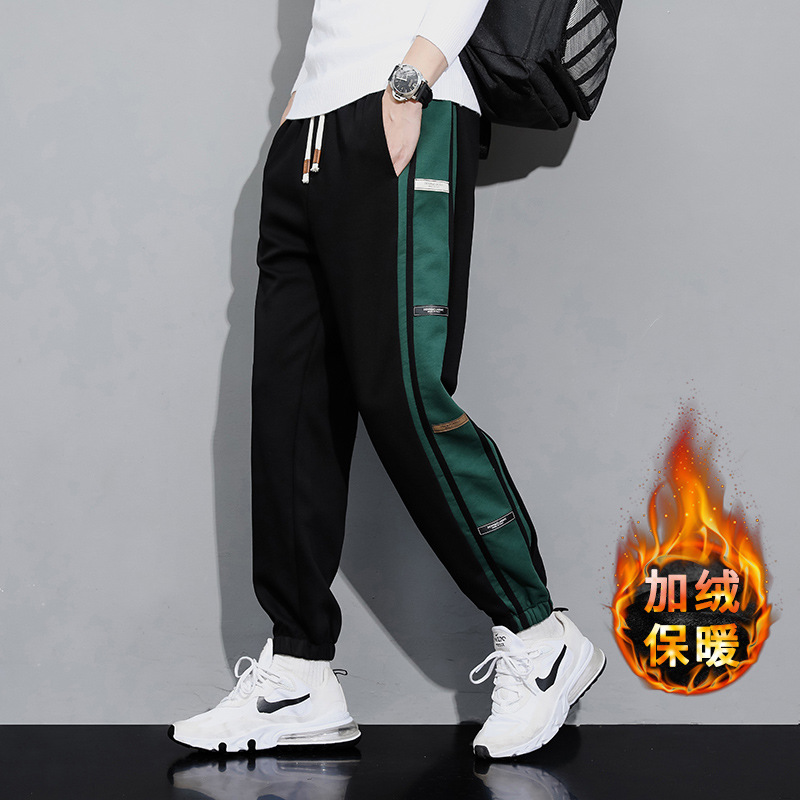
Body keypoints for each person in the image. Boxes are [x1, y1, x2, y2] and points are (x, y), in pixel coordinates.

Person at [170, 0, 605, 759]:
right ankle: (299, 671)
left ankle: (541, 636)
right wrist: (300, 105)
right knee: (290, 407)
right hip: (308, 130)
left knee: (404, 393)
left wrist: (412, 80)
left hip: (403, 104)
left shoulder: (410, 92)